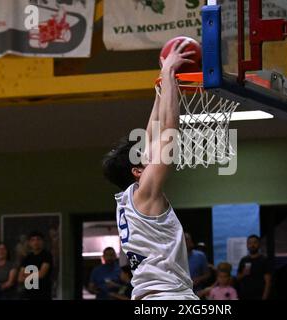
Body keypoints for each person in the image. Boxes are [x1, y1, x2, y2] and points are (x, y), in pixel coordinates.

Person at [102, 39, 199, 300]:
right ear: (137, 170)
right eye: (143, 153)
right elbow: (168, 130)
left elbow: (154, 131)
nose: (150, 149)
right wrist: (168, 73)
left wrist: (160, 85)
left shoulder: (129, 200)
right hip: (168, 297)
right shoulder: (145, 193)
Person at [18, 231, 54, 300]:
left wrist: (26, 275)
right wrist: (35, 274)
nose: (36, 242)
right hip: (28, 295)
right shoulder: (27, 258)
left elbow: (41, 274)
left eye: (38, 239)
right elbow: (20, 278)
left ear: (42, 242)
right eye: (33, 240)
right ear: (29, 243)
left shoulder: (46, 255)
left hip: (43, 294)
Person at [237, 235, 272, 300]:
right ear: (247, 245)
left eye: (255, 242)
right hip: (244, 295)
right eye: (250, 243)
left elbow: (268, 281)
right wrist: (243, 274)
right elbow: (238, 278)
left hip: (259, 295)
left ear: (259, 244)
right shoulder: (243, 260)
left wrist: (264, 297)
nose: (252, 245)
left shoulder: (264, 260)